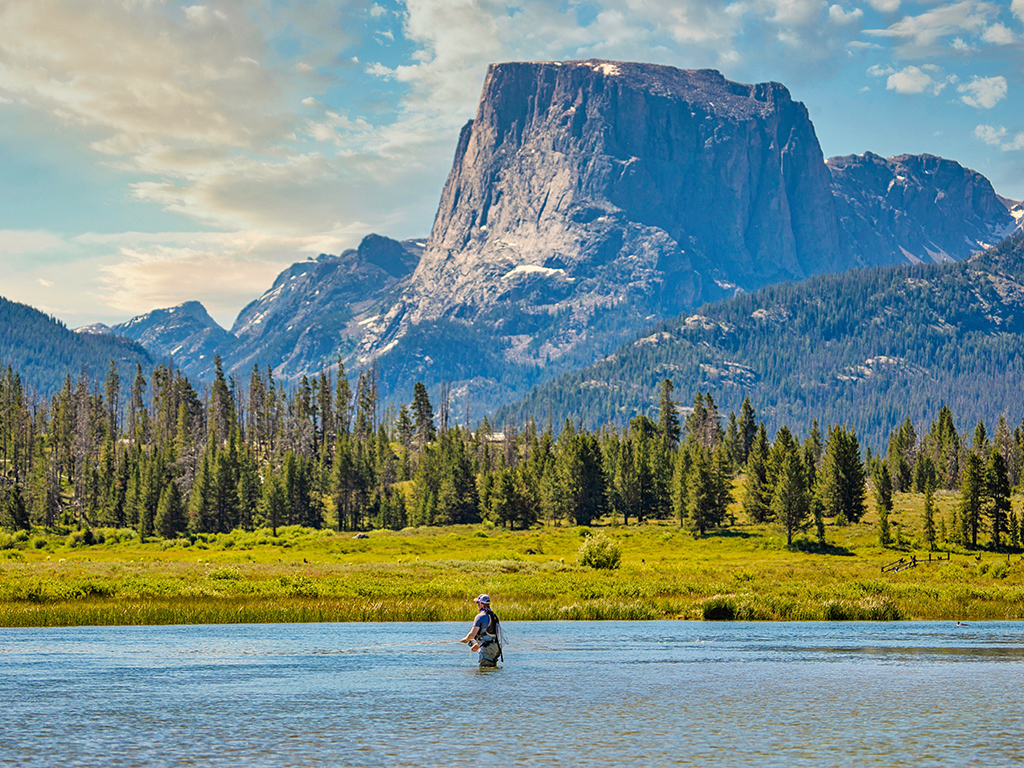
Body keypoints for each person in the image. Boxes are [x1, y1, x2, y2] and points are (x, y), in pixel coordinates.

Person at [460, 593, 502, 667]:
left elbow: (472, 635)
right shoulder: (494, 616)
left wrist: (465, 640)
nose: (477, 605)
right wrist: (478, 644)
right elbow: (491, 635)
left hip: (487, 650)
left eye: (477, 603)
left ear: (481, 604)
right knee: (492, 670)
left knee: (484, 671)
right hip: (496, 648)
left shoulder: (480, 617)